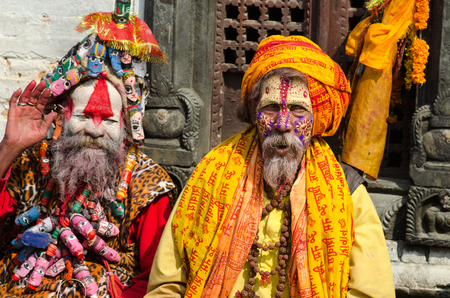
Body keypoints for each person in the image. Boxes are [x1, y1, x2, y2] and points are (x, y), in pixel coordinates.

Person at [145, 35, 395, 298]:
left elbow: (371, 290)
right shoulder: (213, 173)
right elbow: (168, 284)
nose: (283, 123)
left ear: (317, 117)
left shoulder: (346, 190)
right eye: (272, 108)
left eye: (298, 109)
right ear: (254, 113)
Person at [0, 7, 174, 298]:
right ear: (64, 115)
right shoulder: (31, 161)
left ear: (124, 125)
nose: (95, 131)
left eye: (107, 120)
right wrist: (10, 148)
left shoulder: (148, 184)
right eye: (83, 116)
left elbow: (155, 280)